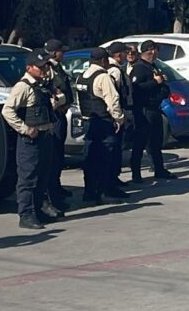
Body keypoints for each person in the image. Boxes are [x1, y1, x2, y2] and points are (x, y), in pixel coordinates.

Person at [2, 49, 59, 229]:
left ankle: (38, 211)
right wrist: (25, 129)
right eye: (40, 66)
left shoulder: (42, 85)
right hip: (31, 140)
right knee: (28, 178)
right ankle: (26, 215)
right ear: (29, 68)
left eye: (46, 66)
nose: (44, 69)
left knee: (43, 176)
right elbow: (7, 111)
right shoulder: (23, 86)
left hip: (45, 136)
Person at [74, 47, 125, 204]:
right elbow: (113, 99)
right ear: (104, 61)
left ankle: (90, 192)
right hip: (103, 122)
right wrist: (118, 119)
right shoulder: (103, 77)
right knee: (105, 158)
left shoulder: (81, 77)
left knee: (90, 159)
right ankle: (104, 192)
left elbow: (80, 100)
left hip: (88, 121)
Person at [128, 40, 174, 182]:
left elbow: (161, 84)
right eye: (155, 50)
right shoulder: (139, 68)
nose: (156, 53)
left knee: (156, 141)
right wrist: (155, 82)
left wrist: (162, 85)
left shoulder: (152, 67)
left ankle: (159, 169)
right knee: (140, 142)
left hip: (155, 109)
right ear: (150, 51)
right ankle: (136, 174)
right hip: (144, 110)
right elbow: (136, 88)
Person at [43, 39, 73, 210]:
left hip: (61, 115)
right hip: (54, 116)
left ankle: (57, 186)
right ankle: (52, 192)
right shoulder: (48, 69)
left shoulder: (57, 67)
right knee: (53, 156)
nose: (64, 54)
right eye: (62, 51)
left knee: (59, 154)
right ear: (54, 53)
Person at [107, 42, 134, 190]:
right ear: (118, 55)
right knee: (115, 148)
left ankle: (114, 177)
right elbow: (114, 95)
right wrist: (119, 117)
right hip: (116, 114)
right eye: (124, 53)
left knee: (117, 147)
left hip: (117, 112)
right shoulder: (114, 71)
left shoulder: (115, 69)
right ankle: (112, 179)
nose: (127, 56)